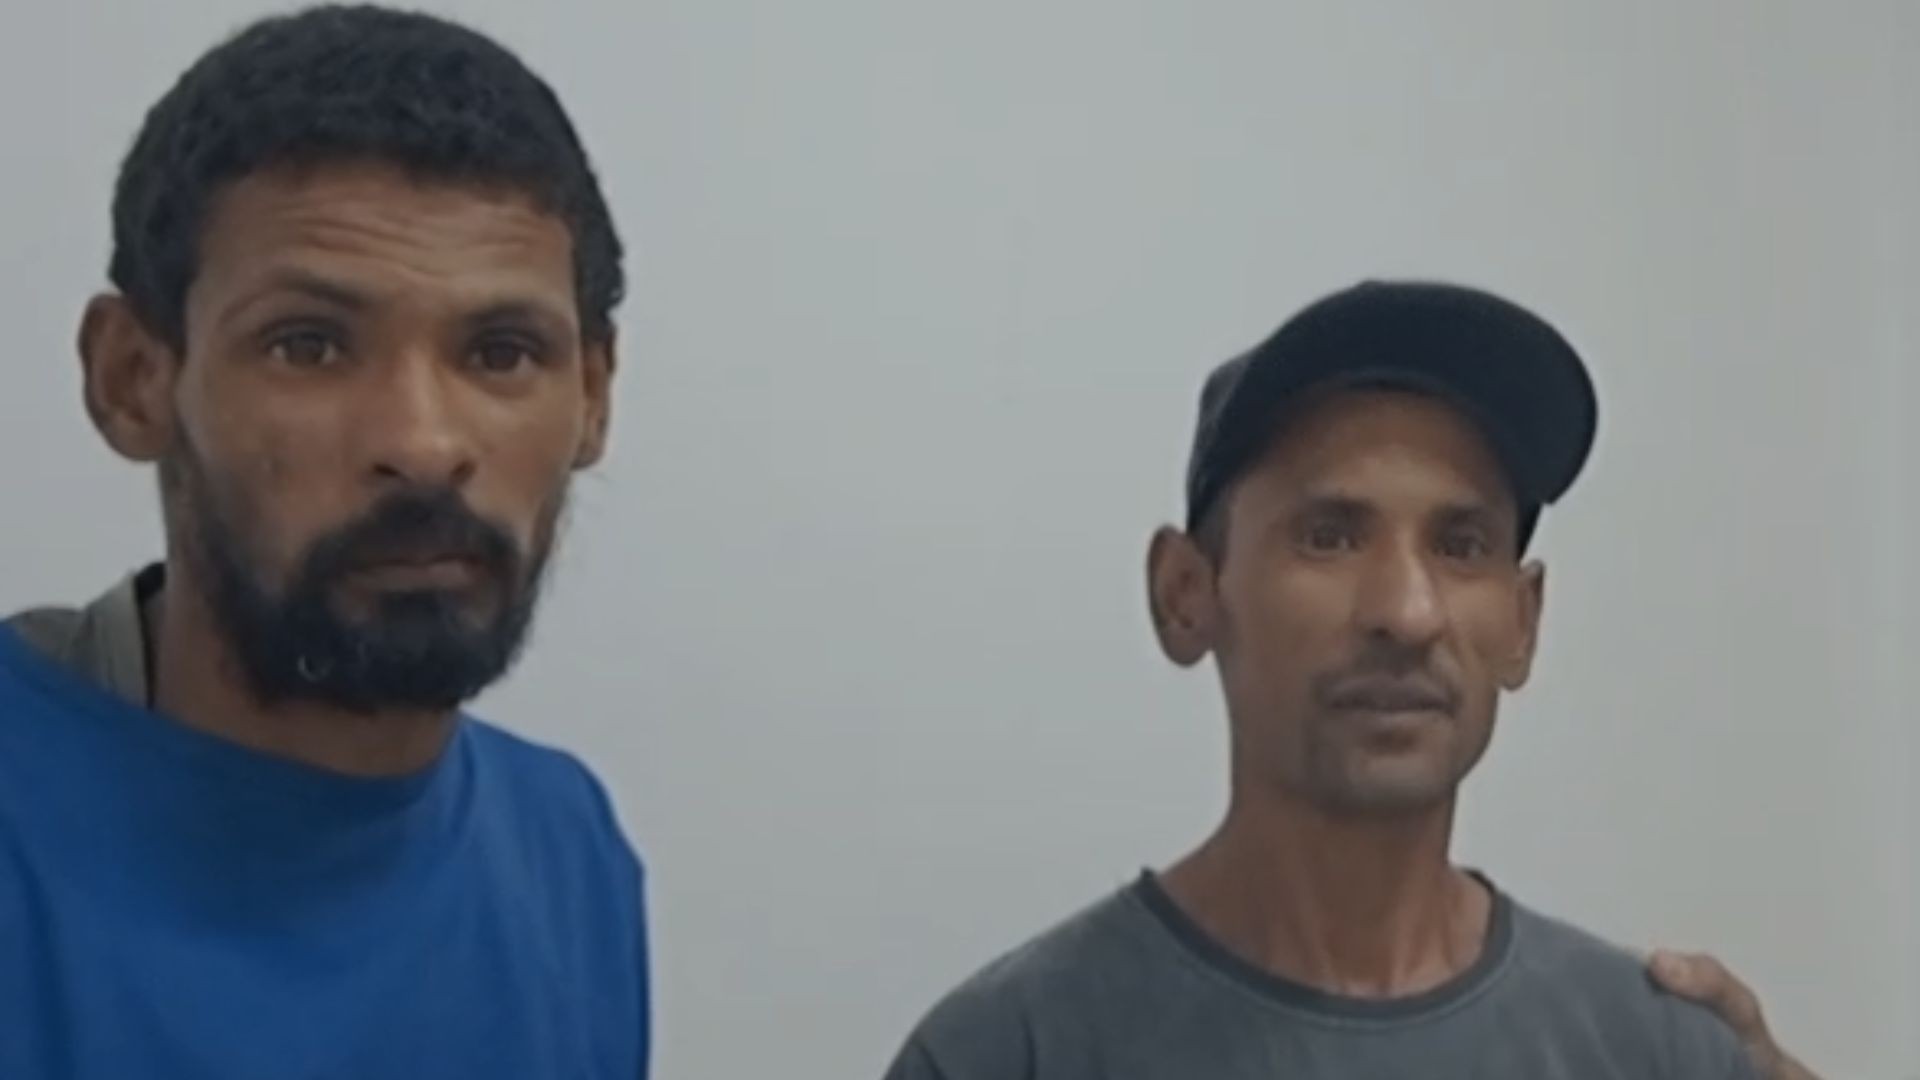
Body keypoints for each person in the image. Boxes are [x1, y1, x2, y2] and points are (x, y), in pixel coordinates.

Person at [881, 280, 1767, 1079]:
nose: (1407, 613)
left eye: (1461, 547)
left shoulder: (1656, 1055)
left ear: (1522, 621)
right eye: (1330, 537)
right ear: (1186, 594)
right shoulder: (1009, 1055)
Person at [0, 7, 645, 1078]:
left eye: (501, 352)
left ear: (592, 396)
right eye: (309, 345)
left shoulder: (570, 852)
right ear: (133, 380)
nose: (422, 444)